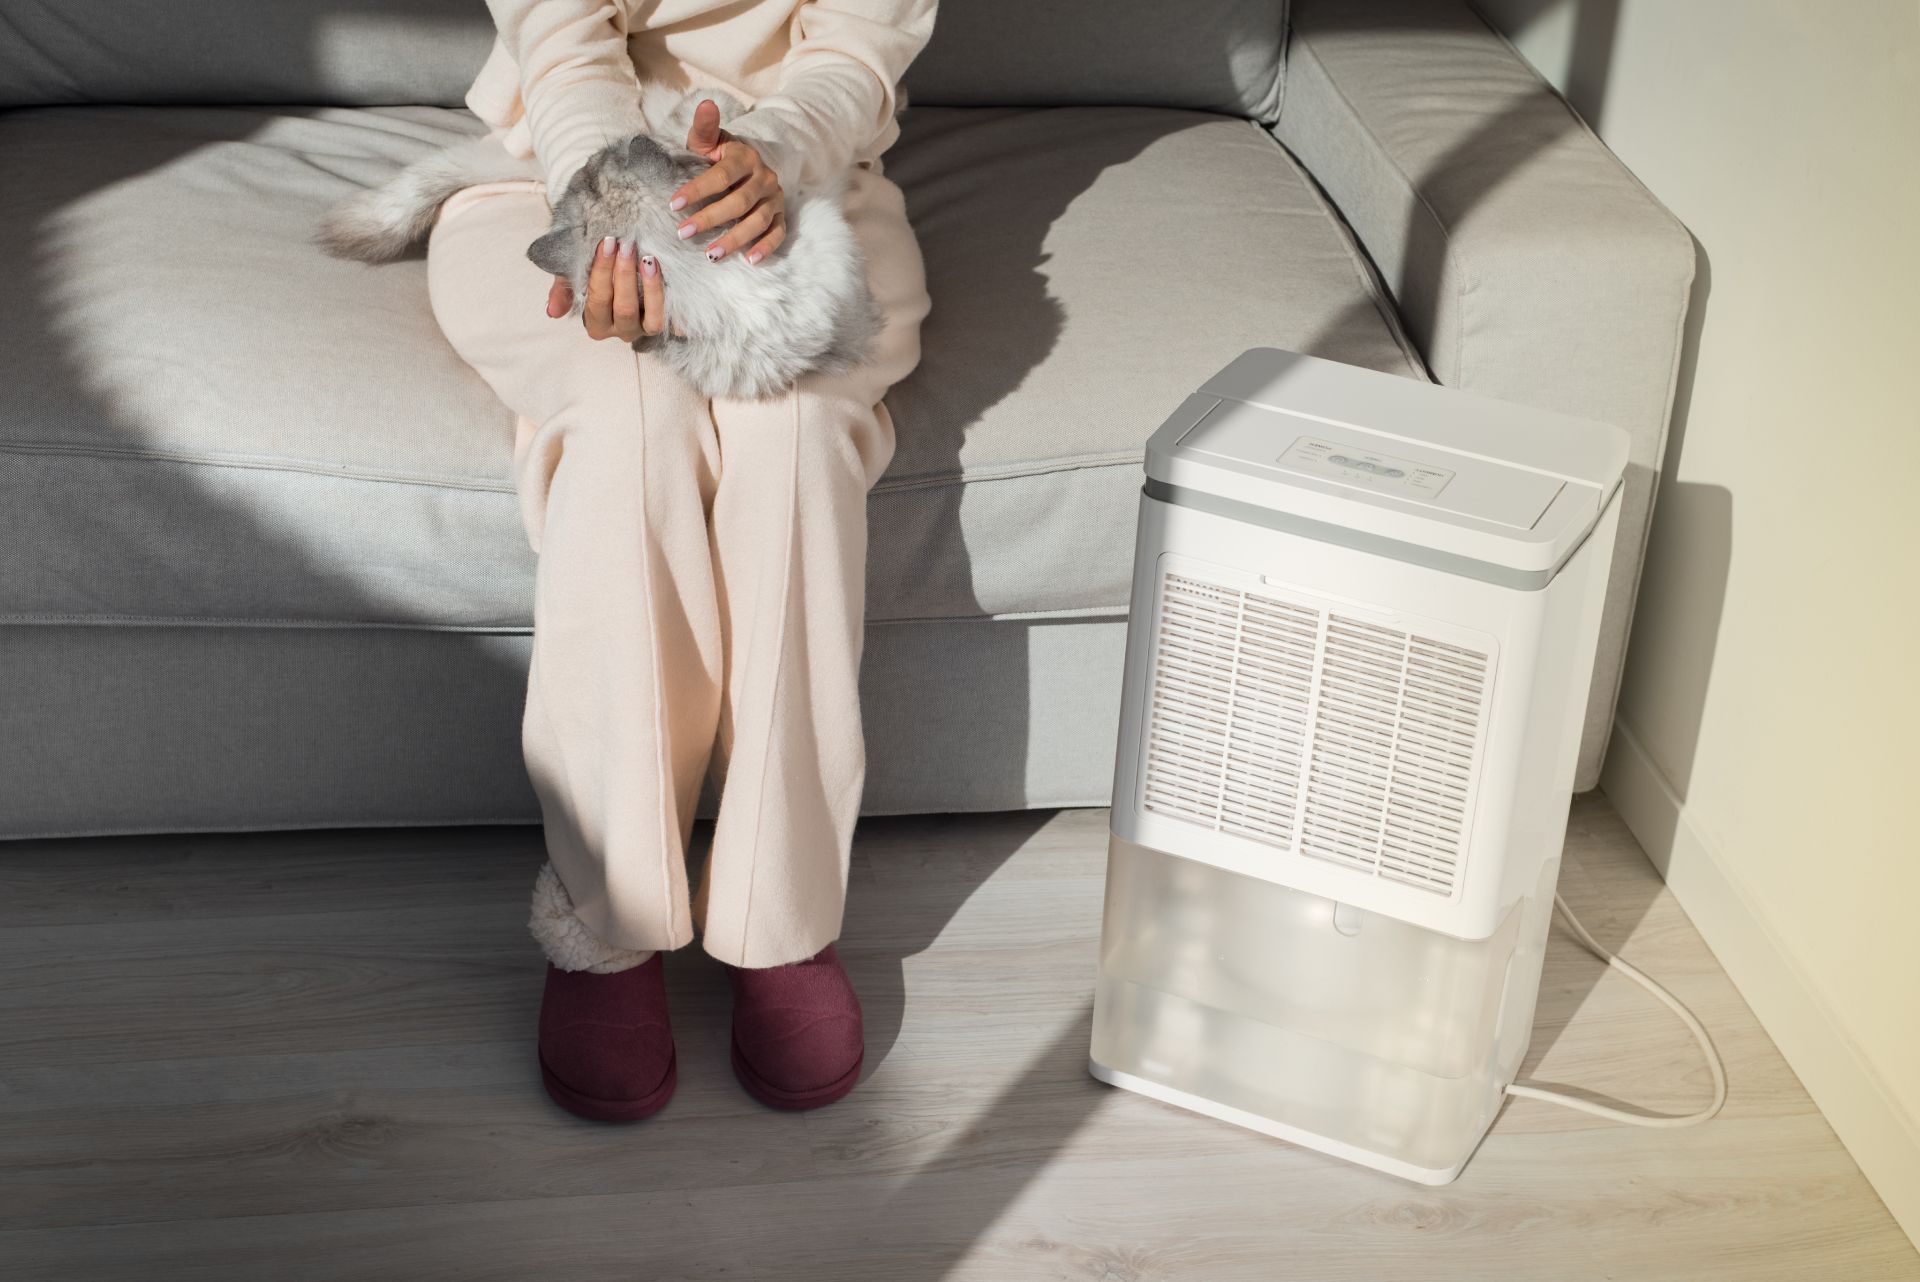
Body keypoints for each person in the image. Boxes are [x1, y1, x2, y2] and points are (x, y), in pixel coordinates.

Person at [425, 0, 938, 1122]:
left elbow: (858, 47)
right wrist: (614, 204)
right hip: (559, 176)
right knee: (630, 423)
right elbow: (561, 41)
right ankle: (606, 922)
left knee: (794, 432)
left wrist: (770, 157)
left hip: (808, 189)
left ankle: (779, 916)